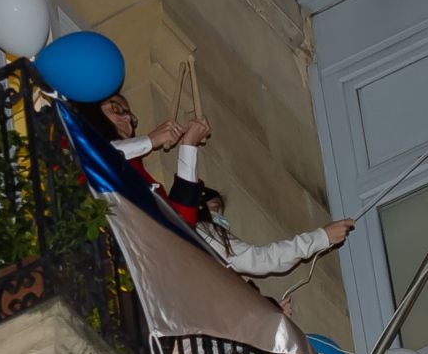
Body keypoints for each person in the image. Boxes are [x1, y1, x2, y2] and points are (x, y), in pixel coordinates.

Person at [75, 92, 211, 225]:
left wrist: (189, 146)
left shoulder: (137, 172)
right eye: (116, 109)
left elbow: (183, 222)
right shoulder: (75, 144)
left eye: (130, 116)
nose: (128, 118)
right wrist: (150, 140)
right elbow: (94, 155)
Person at [195, 185, 354, 278]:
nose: (220, 218)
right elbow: (261, 260)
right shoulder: (204, 231)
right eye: (215, 209)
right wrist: (322, 237)